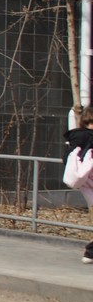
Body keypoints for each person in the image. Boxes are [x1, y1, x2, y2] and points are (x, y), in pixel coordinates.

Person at [63, 105, 93, 264]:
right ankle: (90, 252)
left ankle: (90, 253)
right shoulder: (88, 137)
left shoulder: (77, 137)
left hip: (86, 184)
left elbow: (66, 158)